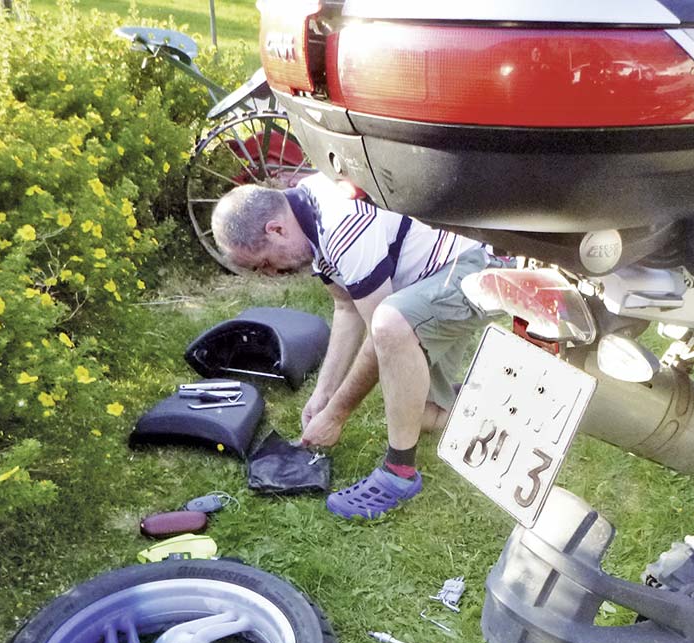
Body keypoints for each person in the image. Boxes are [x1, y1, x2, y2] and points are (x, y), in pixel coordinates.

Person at [211, 174, 494, 520]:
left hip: (473, 266)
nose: (271, 274)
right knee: (416, 414)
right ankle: (496, 406)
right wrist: (323, 394)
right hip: (430, 278)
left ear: (276, 230)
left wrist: (336, 415)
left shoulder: (340, 225)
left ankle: (399, 473)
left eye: (266, 263)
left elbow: (379, 336)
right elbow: (346, 306)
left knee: (390, 326)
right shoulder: (307, 214)